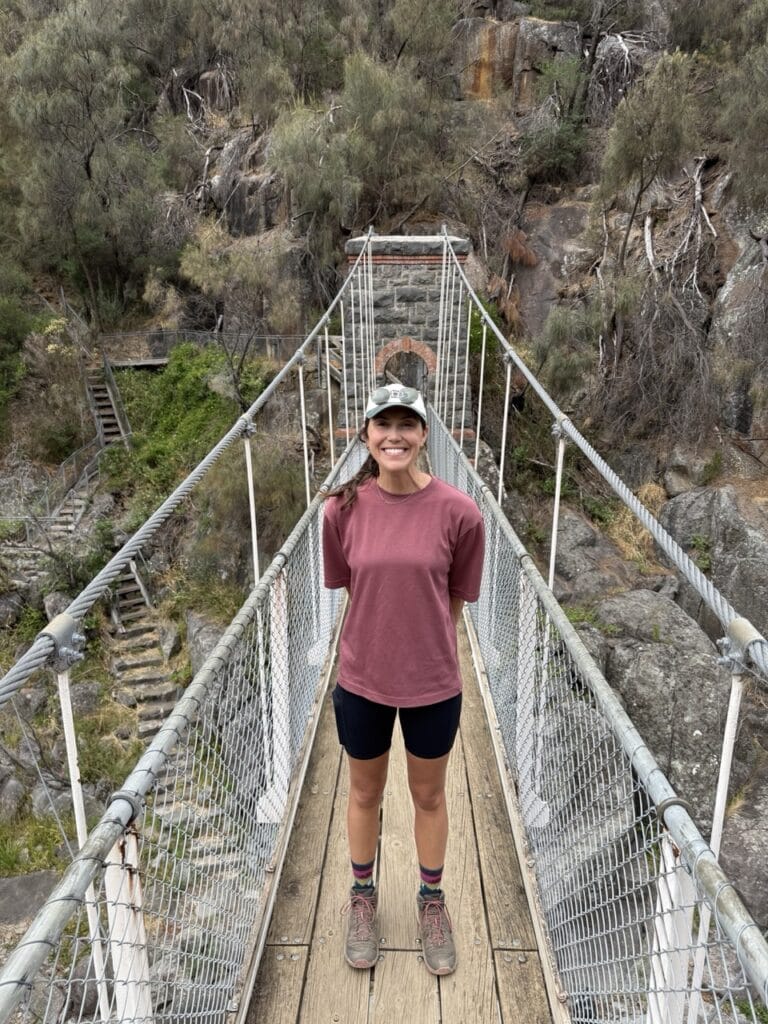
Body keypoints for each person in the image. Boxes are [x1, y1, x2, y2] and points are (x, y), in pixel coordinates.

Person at [322, 383, 485, 976]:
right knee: (364, 793)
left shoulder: (461, 513)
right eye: (383, 424)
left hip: (432, 683)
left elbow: (455, 599)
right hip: (362, 678)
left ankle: (431, 901)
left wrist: (423, 646)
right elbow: (351, 588)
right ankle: (362, 896)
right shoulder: (340, 510)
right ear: (366, 435)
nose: (394, 435)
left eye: (406, 424)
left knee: (429, 796)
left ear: (423, 435)